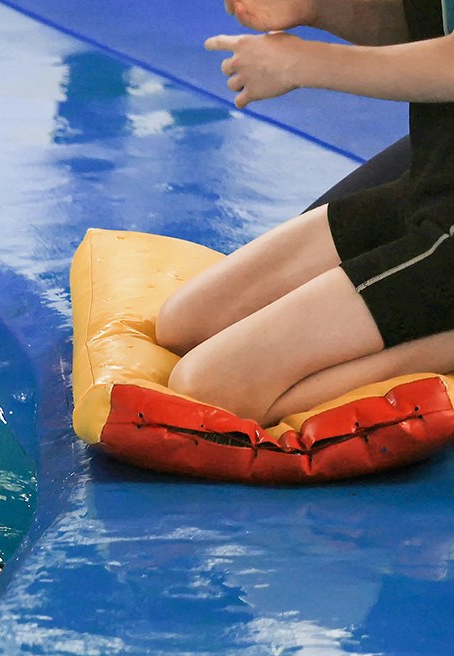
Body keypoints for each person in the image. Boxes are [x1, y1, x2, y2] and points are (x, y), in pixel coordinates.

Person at [156, 0, 454, 424]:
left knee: (208, 389)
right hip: (432, 178)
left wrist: (302, 62)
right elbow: (430, 27)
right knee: (181, 324)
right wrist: (315, 8)